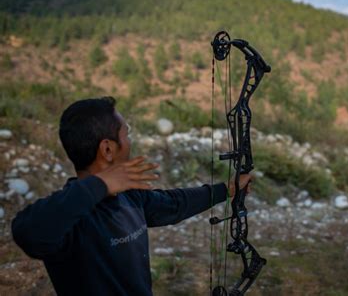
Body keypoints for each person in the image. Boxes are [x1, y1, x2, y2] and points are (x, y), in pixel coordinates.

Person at [11, 96, 250, 296]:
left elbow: (174, 204)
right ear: (107, 149)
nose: (130, 140)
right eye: (127, 132)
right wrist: (100, 185)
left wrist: (226, 190)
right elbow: (27, 232)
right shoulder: (70, 219)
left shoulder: (130, 198)